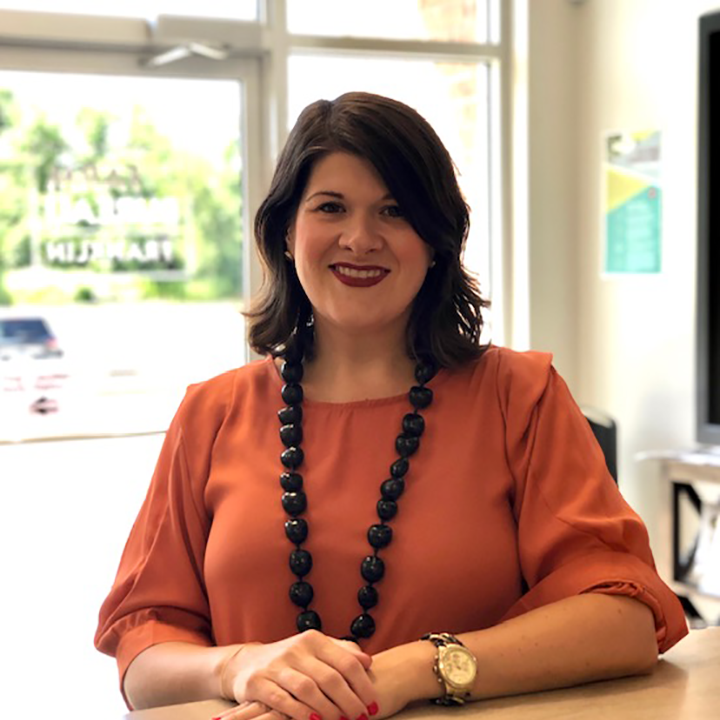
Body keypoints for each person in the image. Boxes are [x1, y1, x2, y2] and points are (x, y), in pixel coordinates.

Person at [95, 92, 688, 719]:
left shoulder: (519, 396)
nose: (360, 239)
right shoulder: (211, 414)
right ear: (287, 232)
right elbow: (144, 657)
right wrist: (237, 666)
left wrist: (410, 669)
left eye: (394, 211)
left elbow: (625, 618)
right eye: (331, 207)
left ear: (435, 241)